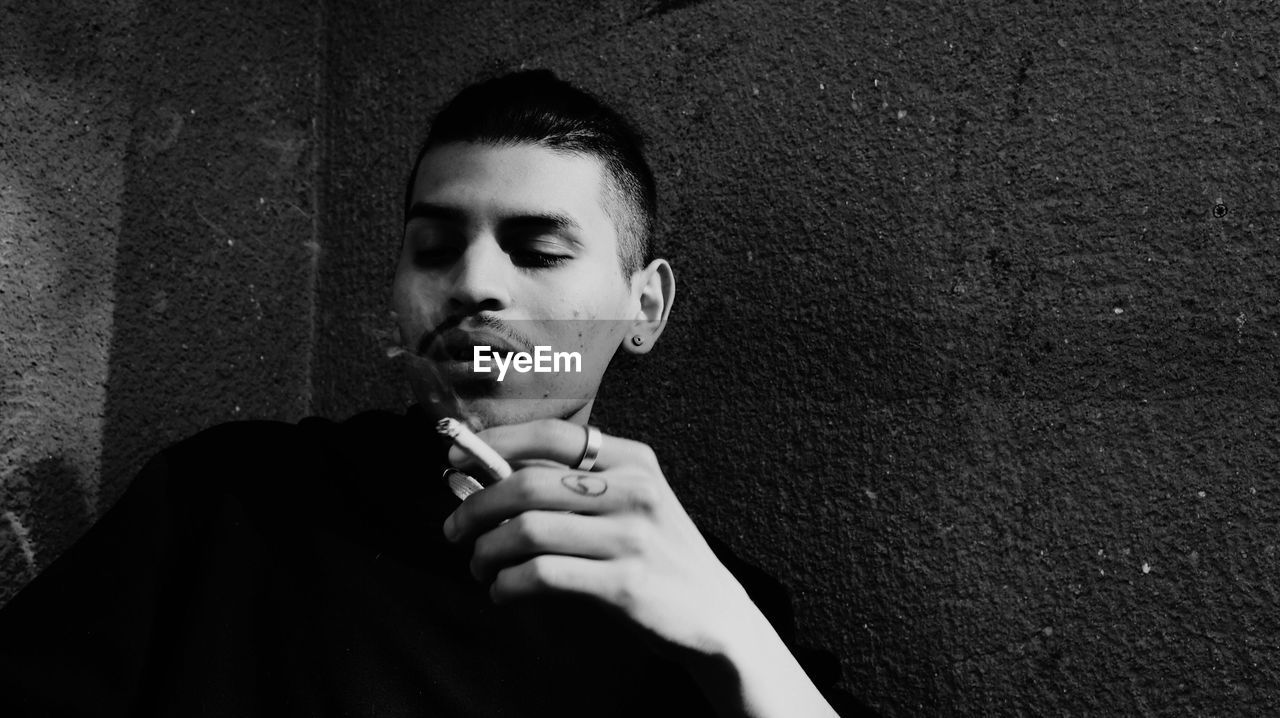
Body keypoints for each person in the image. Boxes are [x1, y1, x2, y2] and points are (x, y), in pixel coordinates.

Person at [0, 70, 875, 717]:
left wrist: (735, 640)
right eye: (433, 247)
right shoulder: (227, 501)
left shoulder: (707, 594)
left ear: (643, 307)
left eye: (537, 250)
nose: (474, 286)